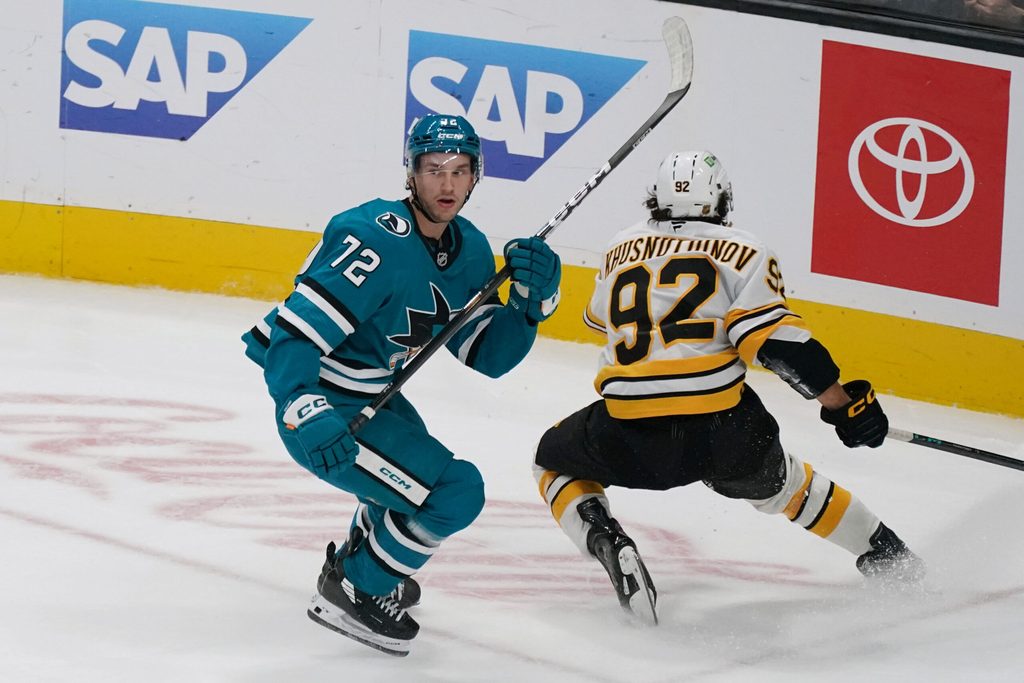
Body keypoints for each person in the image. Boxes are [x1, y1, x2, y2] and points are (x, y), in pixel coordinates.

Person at [532, 150, 924, 625]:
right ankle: (888, 556)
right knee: (788, 487)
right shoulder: (746, 250)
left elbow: (601, 320)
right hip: (722, 431)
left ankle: (607, 539)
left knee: (552, 460)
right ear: (721, 201)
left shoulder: (620, 246)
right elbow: (780, 346)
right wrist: (843, 406)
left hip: (629, 428)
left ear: (655, 199)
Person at [241, 114, 561, 655]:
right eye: (434, 168)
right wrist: (302, 406)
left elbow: (488, 354)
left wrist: (533, 304)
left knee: (419, 480)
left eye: (460, 170)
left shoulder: (472, 250)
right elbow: (293, 336)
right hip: (323, 406)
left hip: (374, 396)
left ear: (476, 176)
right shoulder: (374, 239)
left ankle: (367, 559)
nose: (447, 184)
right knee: (454, 492)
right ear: (411, 173)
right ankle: (356, 586)